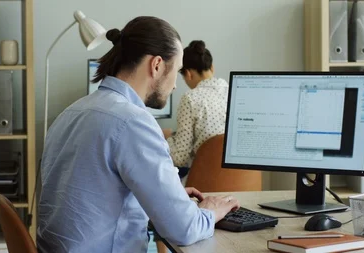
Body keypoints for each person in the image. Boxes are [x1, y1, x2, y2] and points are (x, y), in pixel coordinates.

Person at [37, 16, 240, 253]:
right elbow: (184, 230)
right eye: (177, 70)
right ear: (156, 65)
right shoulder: (133, 122)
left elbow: (87, 197)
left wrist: (163, 196)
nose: (176, 85)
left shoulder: (70, 112)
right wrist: (210, 211)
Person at [164, 40, 229, 180]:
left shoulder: (190, 98)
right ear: (212, 67)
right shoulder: (231, 91)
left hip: (206, 182)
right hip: (242, 182)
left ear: (188, 73)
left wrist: (167, 137)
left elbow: (179, 158)